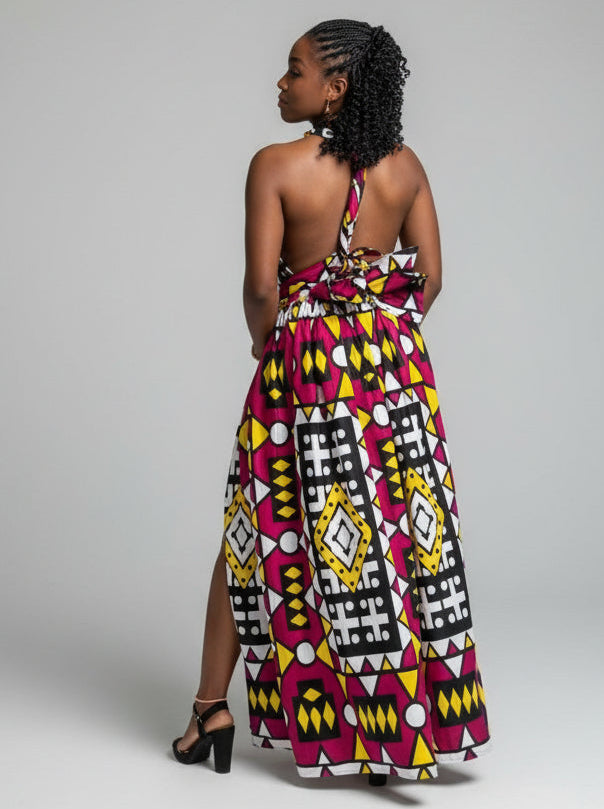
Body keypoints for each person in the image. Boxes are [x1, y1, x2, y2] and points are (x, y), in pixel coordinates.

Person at [172, 18, 492, 785]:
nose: (281, 85)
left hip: (303, 368)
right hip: (393, 371)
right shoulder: (405, 167)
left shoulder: (276, 166)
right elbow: (431, 278)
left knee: (260, 528)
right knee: (392, 537)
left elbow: (259, 287)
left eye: (294, 71)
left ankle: (210, 709)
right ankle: (393, 727)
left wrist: (269, 341)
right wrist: (377, 341)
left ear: (336, 86)